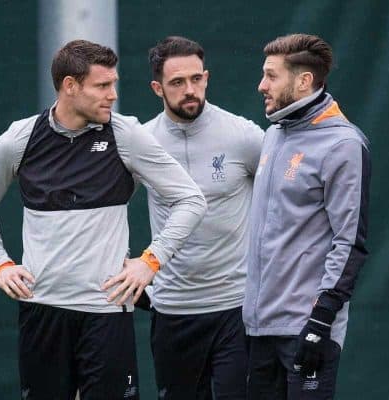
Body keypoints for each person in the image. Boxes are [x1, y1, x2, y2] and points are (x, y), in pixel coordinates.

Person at [0, 39, 206, 400]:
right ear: (70, 86)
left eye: (114, 84)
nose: (112, 95)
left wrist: (150, 261)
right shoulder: (20, 138)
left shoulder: (125, 135)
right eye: (102, 86)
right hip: (42, 313)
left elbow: (190, 199)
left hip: (106, 314)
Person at [243, 33, 371, 399]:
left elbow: (349, 243)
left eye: (271, 76)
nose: (261, 85)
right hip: (258, 329)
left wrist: (320, 320)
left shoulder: (343, 145)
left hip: (307, 329)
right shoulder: (273, 135)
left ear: (304, 81)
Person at [142, 36, 264, 399]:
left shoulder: (244, 136)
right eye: (177, 82)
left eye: (196, 79)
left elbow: (285, 199)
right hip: (172, 313)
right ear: (157, 87)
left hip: (236, 309)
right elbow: (103, 209)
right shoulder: (142, 142)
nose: (190, 89)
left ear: (207, 78)